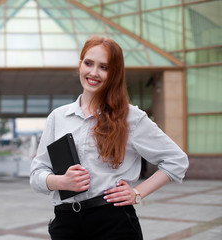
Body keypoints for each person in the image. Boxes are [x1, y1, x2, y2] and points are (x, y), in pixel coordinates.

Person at [30, 36, 189, 240]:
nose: (93, 73)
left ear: (114, 73)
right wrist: (61, 181)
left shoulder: (131, 117)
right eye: (88, 63)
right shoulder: (58, 117)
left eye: (104, 67)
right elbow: (37, 174)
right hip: (65, 222)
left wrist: (137, 193)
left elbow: (177, 160)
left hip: (113, 223)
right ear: (80, 65)